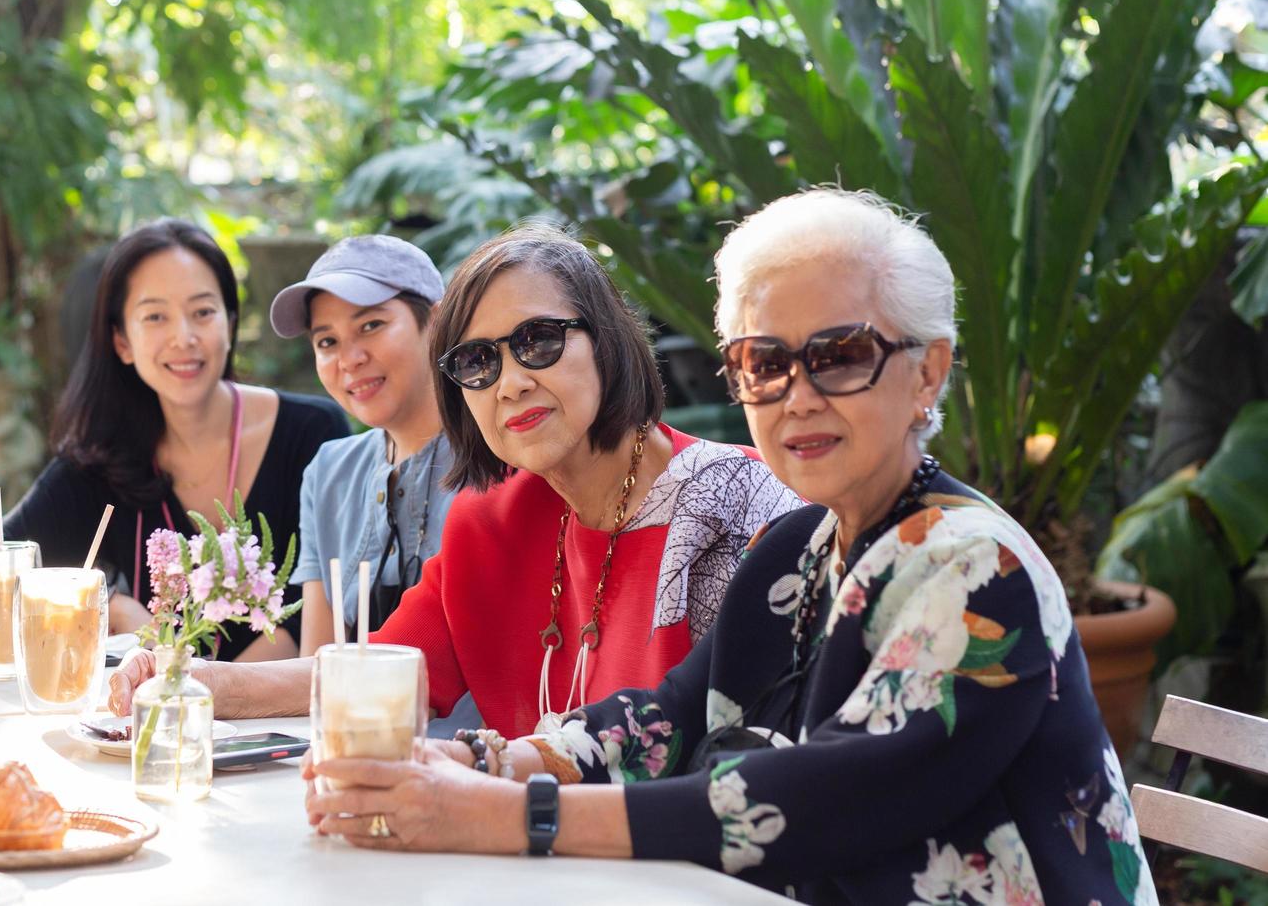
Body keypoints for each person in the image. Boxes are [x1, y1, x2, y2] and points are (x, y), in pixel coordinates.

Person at [303, 190, 1156, 906]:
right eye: (764, 363)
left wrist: (504, 813)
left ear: (927, 373)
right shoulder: (799, 546)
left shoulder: (976, 568)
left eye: (843, 355)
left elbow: (815, 802)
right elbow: (670, 718)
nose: (799, 396)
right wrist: (482, 758)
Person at [110, 223, 801, 735]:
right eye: (478, 362)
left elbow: (747, 767)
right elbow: (372, 671)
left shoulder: (737, 506)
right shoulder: (488, 521)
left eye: (538, 340)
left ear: (608, 336)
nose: (511, 382)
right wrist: (192, 678)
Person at [0, 219, 349, 661]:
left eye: (203, 312)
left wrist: (202, 687)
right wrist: (106, 603)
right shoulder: (101, 458)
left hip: (285, 725)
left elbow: (322, 621)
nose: (184, 337)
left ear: (230, 324)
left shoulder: (311, 433)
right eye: (155, 316)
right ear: (122, 340)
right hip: (154, 725)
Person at [268, 235, 456, 653]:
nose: (348, 359)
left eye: (371, 325)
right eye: (326, 342)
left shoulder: (502, 456)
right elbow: (316, 666)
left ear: (438, 322)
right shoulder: (328, 472)